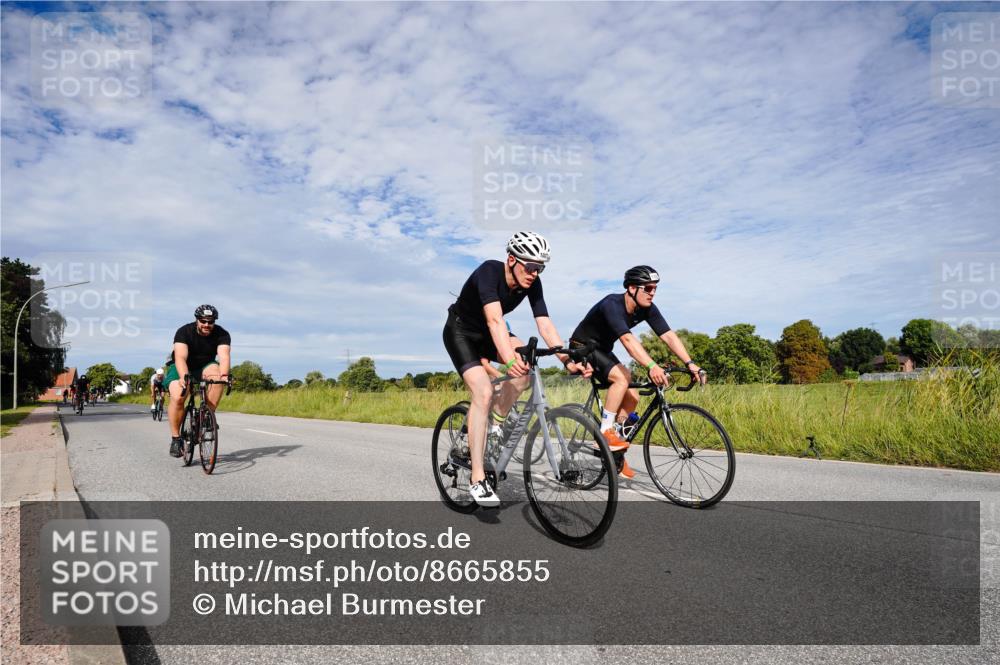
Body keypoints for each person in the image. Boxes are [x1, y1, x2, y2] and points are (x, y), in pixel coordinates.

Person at [443, 231, 590, 507]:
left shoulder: (533, 283)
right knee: (484, 391)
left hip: (488, 334)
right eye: (531, 266)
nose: (535, 273)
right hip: (461, 332)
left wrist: (567, 360)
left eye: (540, 267)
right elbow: (495, 320)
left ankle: (496, 424)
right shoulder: (489, 271)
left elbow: (544, 324)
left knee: (526, 372)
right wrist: (509, 360)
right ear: (511, 259)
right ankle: (477, 478)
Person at [569, 265, 705, 479]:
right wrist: (651, 366)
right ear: (632, 288)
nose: (653, 292)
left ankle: (615, 453)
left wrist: (690, 363)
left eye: (655, 288)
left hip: (603, 350)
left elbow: (668, 336)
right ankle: (605, 434)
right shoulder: (612, 304)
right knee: (621, 377)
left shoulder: (648, 308)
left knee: (632, 398)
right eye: (648, 288)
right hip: (582, 346)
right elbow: (628, 340)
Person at [165, 305, 232, 457]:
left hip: (205, 366)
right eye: (203, 321)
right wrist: (183, 377)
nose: (207, 325)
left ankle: (207, 416)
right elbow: (180, 357)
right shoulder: (184, 331)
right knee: (179, 395)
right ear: (197, 320)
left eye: (211, 321)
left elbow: (224, 357)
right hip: (182, 365)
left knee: (218, 378)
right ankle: (176, 439)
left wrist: (224, 376)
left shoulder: (222, 334)